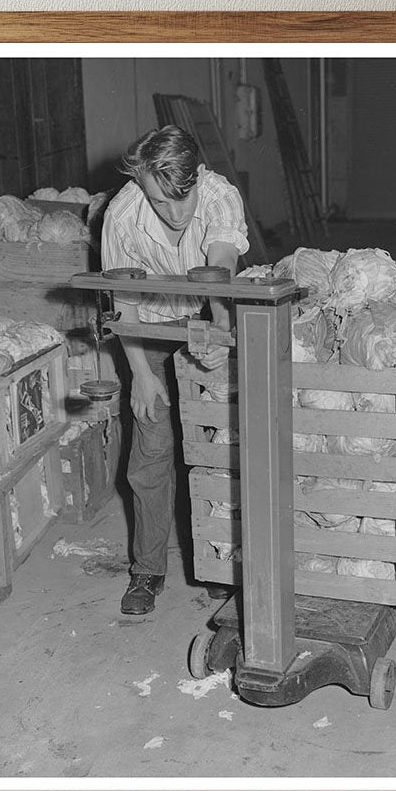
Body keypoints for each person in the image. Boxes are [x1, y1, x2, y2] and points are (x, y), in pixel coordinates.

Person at [101, 125, 249, 615]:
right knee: (152, 447)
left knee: (215, 445)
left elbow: (221, 265)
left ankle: (217, 562)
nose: (173, 213)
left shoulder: (219, 196)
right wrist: (140, 375)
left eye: (181, 199)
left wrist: (220, 328)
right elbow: (122, 301)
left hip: (205, 316)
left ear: (198, 176)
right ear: (140, 183)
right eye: (157, 200)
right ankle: (147, 569)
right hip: (145, 327)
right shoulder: (122, 215)